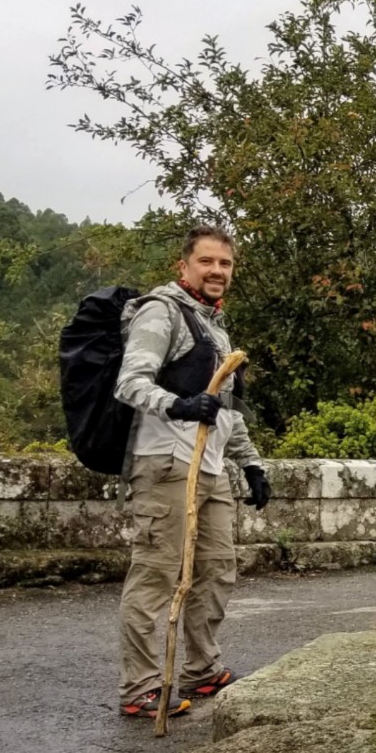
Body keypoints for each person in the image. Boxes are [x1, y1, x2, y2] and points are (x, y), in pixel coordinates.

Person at [114, 226, 269, 719]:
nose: (217, 271)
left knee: (217, 571)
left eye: (225, 264)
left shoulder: (216, 328)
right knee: (157, 575)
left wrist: (252, 462)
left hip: (210, 465)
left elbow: (224, 407)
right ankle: (140, 686)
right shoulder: (161, 313)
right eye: (207, 262)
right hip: (164, 464)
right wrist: (179, 405)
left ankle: (202, 671)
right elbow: (130, 383)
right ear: (184, 266)